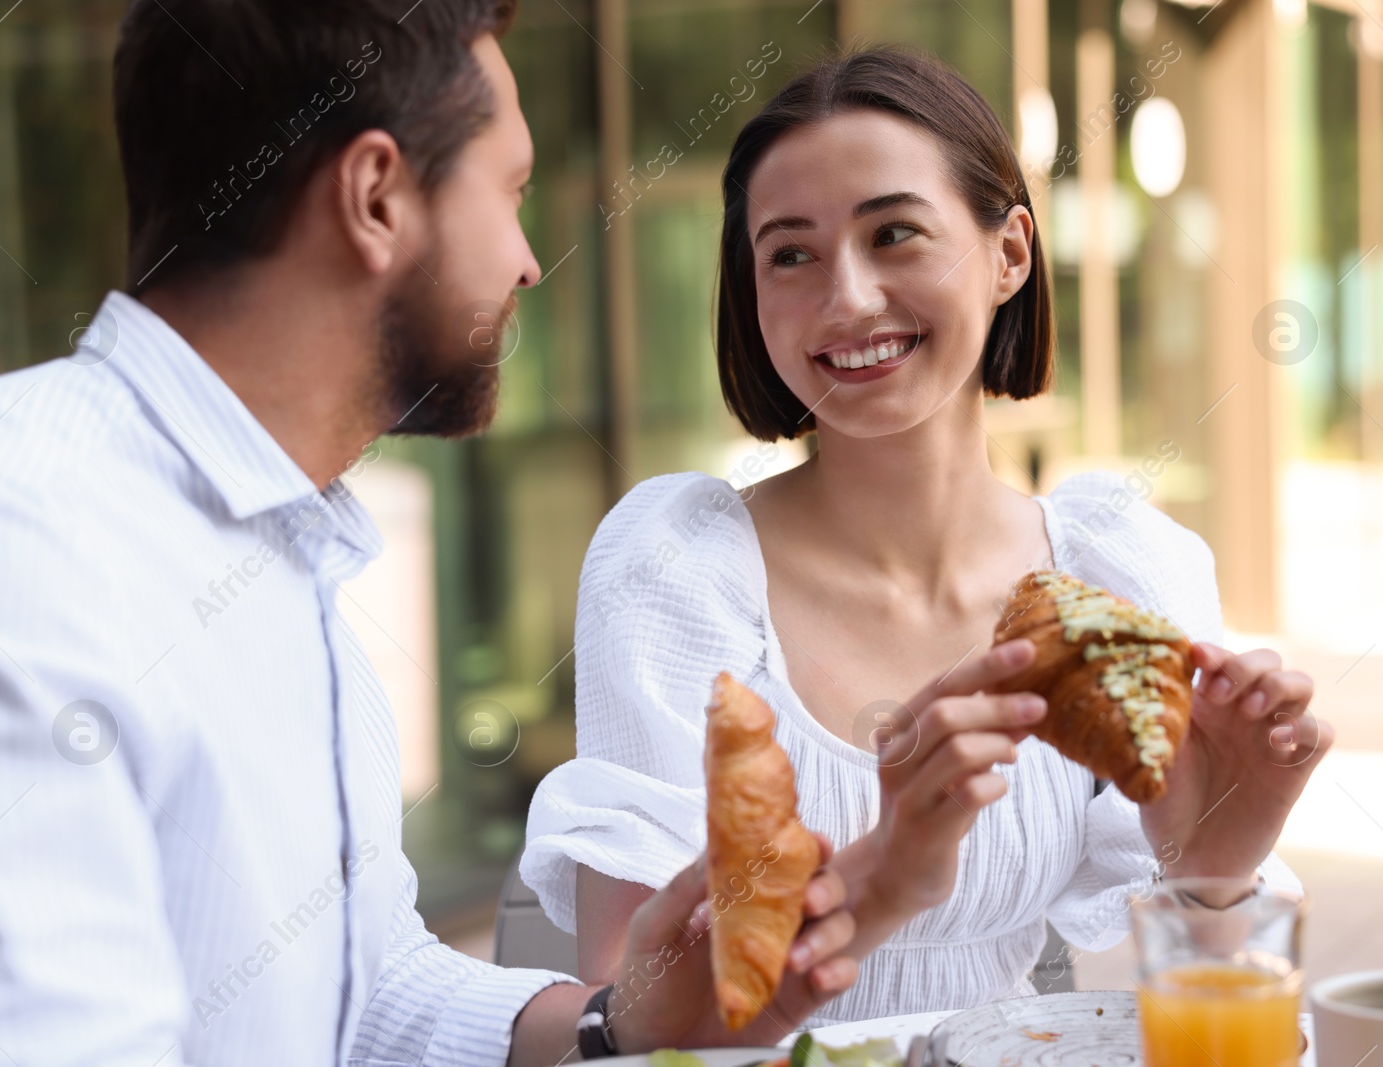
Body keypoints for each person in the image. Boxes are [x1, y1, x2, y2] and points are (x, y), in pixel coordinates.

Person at [0, 4, 1001, 1064]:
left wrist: (618, 1018)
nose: (526, 259)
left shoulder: (288, 555)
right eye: (510, 189)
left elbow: (364, 990)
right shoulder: (3, 539)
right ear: (376, 196)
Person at [521, 47, 1334, 1025]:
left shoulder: (1117, 572)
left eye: (894, 233)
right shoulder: (674, 568)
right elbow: (636, 1016)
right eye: (789, 253)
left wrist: (1211, 864)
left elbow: (1225, 1029)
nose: (848, 297)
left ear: (1010, 253)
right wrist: (884, 871)